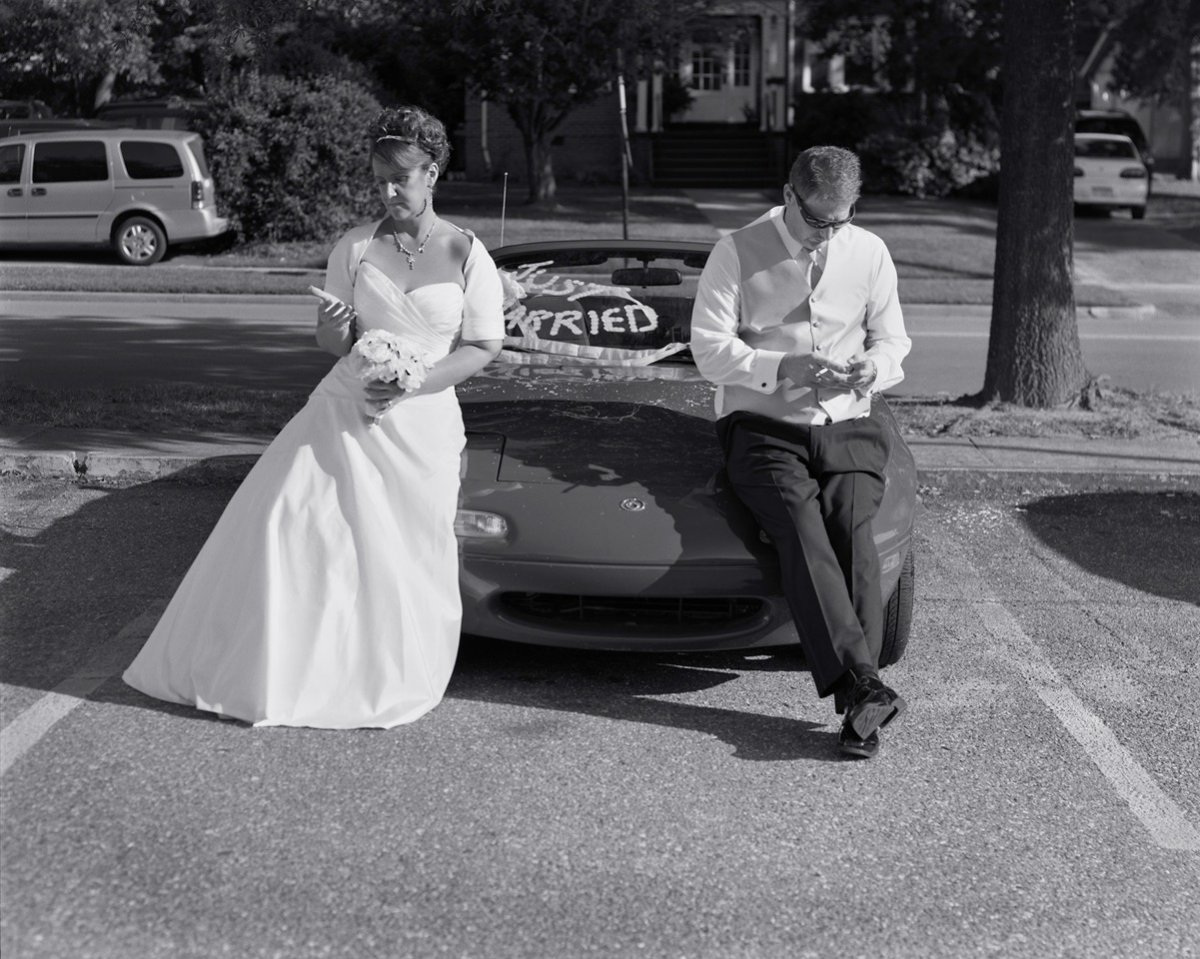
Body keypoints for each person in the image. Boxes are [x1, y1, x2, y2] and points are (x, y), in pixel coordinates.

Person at [123, 106, 504, 728]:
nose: (387, 193)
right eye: (378, 180)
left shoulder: (467, 251)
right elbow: (332, 343)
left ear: (431, 174)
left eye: (400, 180)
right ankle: (282, 667)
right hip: (343, 410)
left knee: (404, 549)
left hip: (422, 425)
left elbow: (483, 345)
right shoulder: (355, 247)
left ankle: (385, 670)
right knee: (293, 522)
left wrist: (414, 385)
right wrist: (333, 328)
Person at [689, 146, 912, 759]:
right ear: (789, 195)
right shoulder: (735, 251)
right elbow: (708, 349)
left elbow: (893, 342)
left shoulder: (870, 252)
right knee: (801, 527)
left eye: (841, 220)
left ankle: (861, 698)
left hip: (850, 423)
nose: (828, 234)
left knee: (853, 533)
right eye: (817, 220)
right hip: (761, 426)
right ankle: (863, 689)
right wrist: (780, 365)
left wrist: (873, 369)